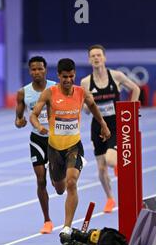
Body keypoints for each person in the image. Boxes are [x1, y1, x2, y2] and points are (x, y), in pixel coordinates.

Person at [30, 58, 111, 235]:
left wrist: (103, 125)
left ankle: (67, 226)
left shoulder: (82, 93)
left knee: (72, 182)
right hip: (54, 149)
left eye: (71, 76)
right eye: (64, 77)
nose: (68, 80)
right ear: (58, 76)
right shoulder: (49, 93)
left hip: (74, 146)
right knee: (59, 189)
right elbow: (33, 115)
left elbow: (93, 107)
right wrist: (38, 126)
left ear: (74, 75)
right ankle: (57, 180)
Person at [80, 44, 140, 213]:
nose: (96, 58)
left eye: (99, 55)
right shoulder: (86, 82)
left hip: (115, 125)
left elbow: (135, 89)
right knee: (101, 168)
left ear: (104, 58)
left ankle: (117, 163)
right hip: (98, 126)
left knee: (111, 159)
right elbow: (85, 110)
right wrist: (87, 103)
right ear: (89, 60)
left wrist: (131, 111)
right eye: (93, 56)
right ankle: (110, 199)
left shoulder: (116, 76)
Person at [15, 56, 56, 234]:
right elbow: (18, 120)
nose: (37, 72)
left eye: (40, 69)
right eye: (33, 69)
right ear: (29, 71)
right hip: (37, 139)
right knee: (41, 180)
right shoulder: (23, 93)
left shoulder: (56, 87)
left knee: (58, 184)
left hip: (57, 139)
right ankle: (47, 220)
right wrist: (20, 122)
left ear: (45, 70)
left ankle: (58, 178)